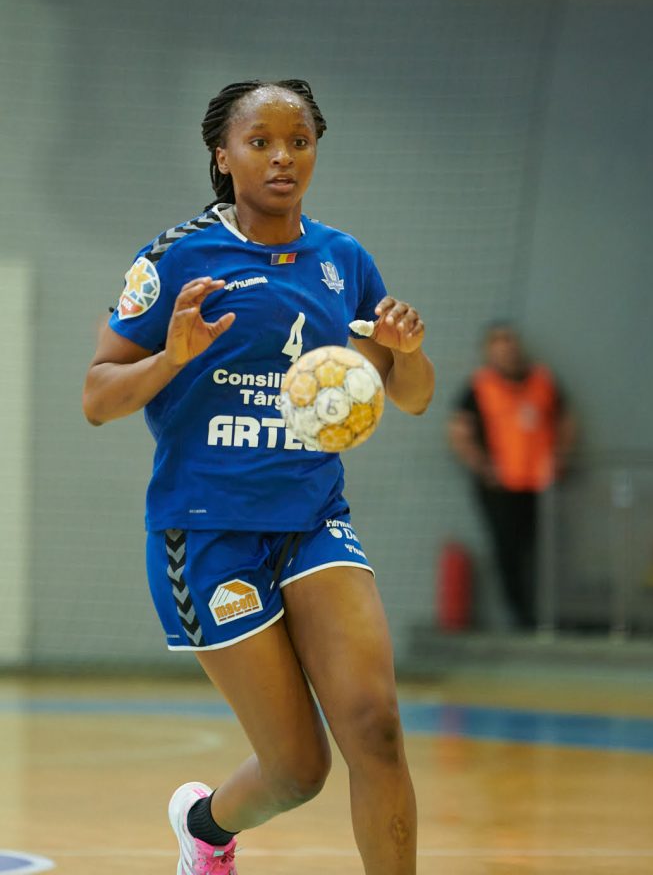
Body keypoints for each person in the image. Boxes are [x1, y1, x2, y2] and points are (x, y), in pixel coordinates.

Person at [82, 78, 435, 875]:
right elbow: (97, 397)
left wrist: (405, 353)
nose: (282, 158)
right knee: (297, 770)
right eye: (261, 142)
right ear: (223, 155)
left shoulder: (343, 260)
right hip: (207, 532)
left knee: (375, 729)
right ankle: (204, 828)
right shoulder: (177, 257)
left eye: (298, 142)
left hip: (314, 519)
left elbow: (411, 395)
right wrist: (170, 360)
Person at [448, 322, 576, 630]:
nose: (507, 350)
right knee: (508, 551)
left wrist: (560, 457)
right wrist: (482, 466)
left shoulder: (542, 381)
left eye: (510, 343)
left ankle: (546, 614)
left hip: (540, 485)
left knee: (543, 552)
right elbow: (459, 431)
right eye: (499, 345)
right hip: (500, 488)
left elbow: (566, 419)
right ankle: (520, 616)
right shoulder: (480, 387)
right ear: (489, 352)